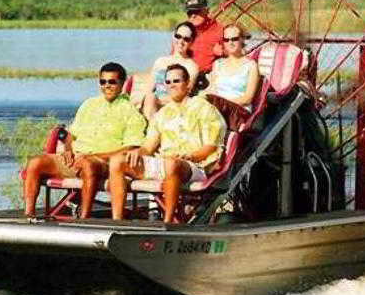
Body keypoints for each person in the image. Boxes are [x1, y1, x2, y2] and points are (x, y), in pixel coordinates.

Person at [23, 62, 146, 219]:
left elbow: (131, 147)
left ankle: (84, 217)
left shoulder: (130, 111)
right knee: (35, 162)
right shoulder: (89, 104)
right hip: (75, 158)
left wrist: (97, 156)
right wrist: (68, 150)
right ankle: (29, 215)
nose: (107, 86)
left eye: (112, 82)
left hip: (103, 162)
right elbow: (70, 135)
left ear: (122, 83)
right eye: (103, 82)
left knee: (88, 164)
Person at [108, 64, 226, 223]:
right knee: (117, 161)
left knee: (171, 164)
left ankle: (168, 222)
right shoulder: (162, 114)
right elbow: (149, 147)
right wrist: (138, 152)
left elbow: (211, 147)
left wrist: (190, 155)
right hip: (165, 163)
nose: (172, 85)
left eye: (176, 81)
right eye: (168, 82)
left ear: (188, 83)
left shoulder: (204, 108)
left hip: (196, 166)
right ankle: (117, 221)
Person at [142, 21, 199, 120]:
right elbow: (149, 89)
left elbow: (185, 93)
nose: (181, 41)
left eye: (186, 39)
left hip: (175, 104)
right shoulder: (160, 61)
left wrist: (159, 100)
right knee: (150, 98)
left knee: (152, 99)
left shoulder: (191, 66)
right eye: (178, 36)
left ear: (191, 42)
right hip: (153, 103)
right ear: (173, 37)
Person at [205, 24, 260, 111]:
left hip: (237, 110)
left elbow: (248, 98)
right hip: (217, 108)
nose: (230, 43)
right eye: (226, 40)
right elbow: (212, 90)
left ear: (242, 39)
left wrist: (223, 104)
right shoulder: (217, 64)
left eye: (234, 39)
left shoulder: (251, 65)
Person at [184, 0, 224, 74]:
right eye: (189, 12)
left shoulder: (220, 30)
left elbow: (236, 54)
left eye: (196, 11)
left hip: (209, 77)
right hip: (185, 76)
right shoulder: (183, 30)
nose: (193, 15)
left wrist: (223, 52)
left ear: (207, 10)